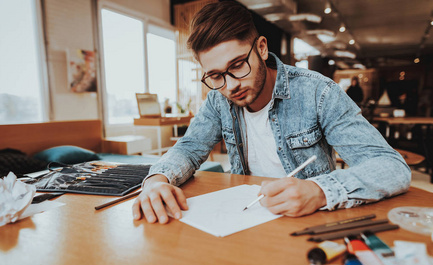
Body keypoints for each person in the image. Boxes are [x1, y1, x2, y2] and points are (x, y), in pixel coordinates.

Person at [132, 1, 411, 224]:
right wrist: (158, 180)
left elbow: (392, 168)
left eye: (238, 65)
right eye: (216, 75)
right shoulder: (218, 99)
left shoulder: (318, 93)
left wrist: (320, 191)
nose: (230, 86)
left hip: (308, 221)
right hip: (245, 219)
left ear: (262, 48)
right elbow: (190, 148)